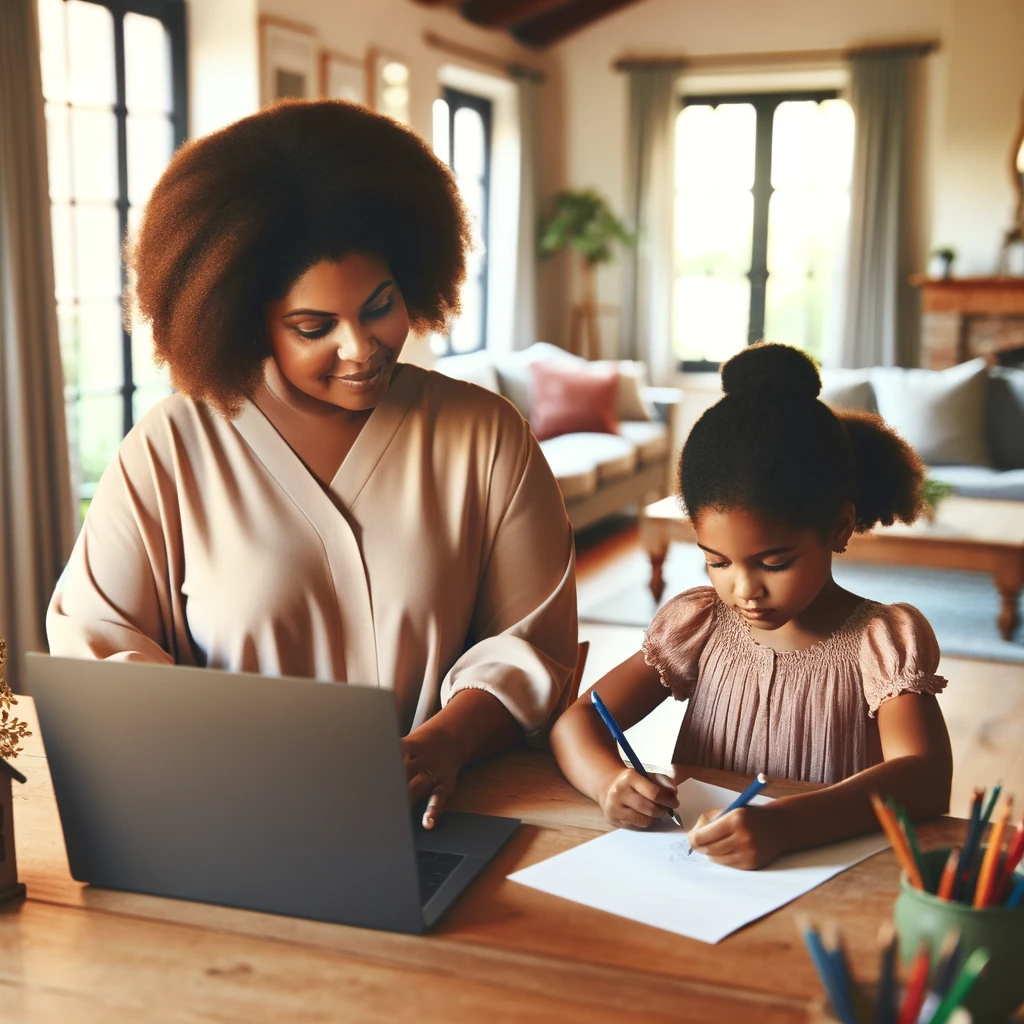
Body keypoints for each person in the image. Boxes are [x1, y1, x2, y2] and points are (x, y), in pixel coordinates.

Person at [47, 100, 578, 828]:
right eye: (313, 326)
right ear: (240, 317)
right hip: (229, 822)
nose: (360, 348)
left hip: (448, 819)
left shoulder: (485, 436)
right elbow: (97, 652)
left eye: (379, 306)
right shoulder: (170, 450)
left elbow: (532, 648)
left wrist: (443, 744)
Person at [550, 342, 953, 869]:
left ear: (837, 527)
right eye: (717, 562)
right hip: (701, 883)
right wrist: (609, 783)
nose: (744, 590)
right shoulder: (698, 625)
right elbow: (577, 722)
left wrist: (787, 824)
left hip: (828, 882)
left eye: (774, 563)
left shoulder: (880, 640)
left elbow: (923, 778)